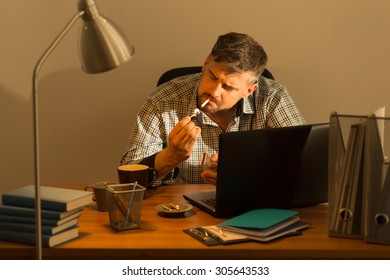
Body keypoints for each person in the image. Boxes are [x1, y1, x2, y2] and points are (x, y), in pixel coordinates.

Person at [120, 32, 306, 186]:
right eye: (213, 77)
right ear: (206, 62)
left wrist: (247, 176)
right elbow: (129, 178)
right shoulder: (163, 100)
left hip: (249, 209)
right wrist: (170, 156)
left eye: (228, 87)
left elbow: (303, 163)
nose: (214, 92)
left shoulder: (272, 98)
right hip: (178, 213)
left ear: (249, 90)